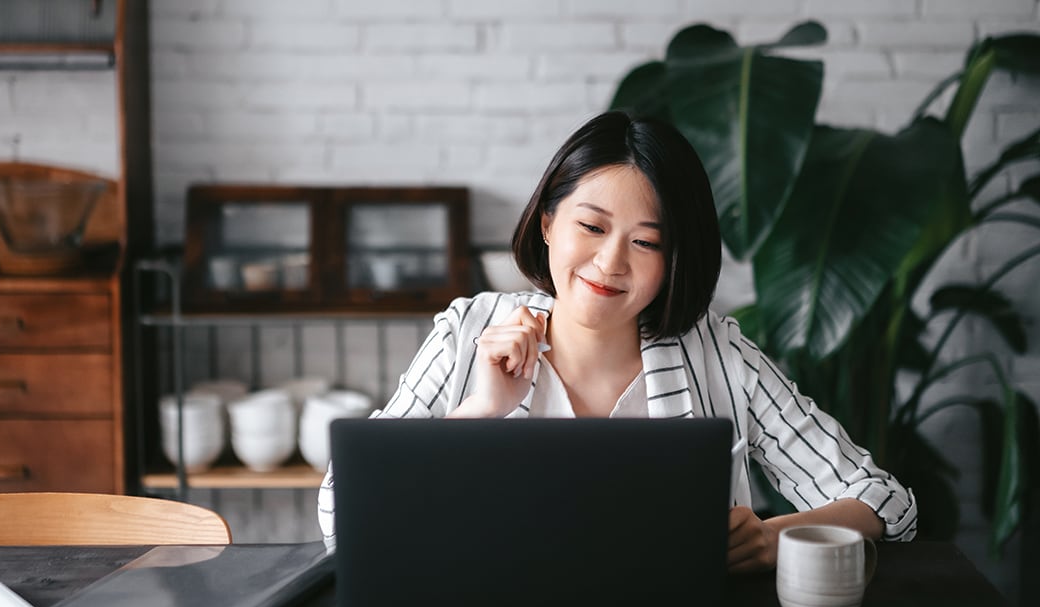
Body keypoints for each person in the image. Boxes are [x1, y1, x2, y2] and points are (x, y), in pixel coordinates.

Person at [317, 111, 917, 571]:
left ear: (675, 259)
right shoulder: (467, 333)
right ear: (548, 223)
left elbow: (884, 501)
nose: (610, 263)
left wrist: (771, 536)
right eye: (592, 226)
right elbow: (346, 514)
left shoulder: (718, 354)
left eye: (647, 242)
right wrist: (479, 412)